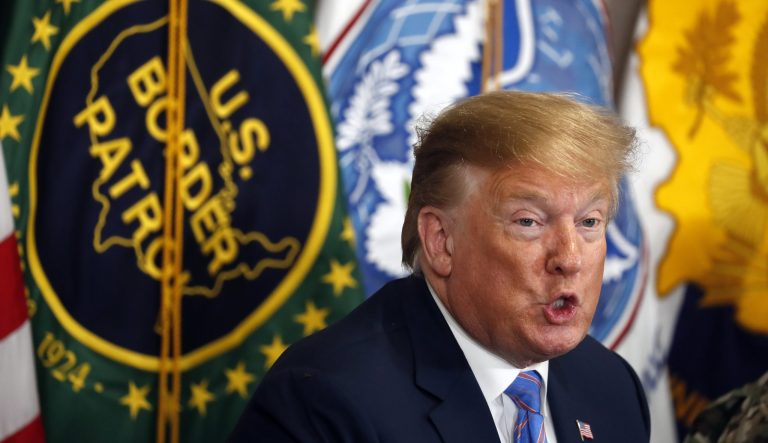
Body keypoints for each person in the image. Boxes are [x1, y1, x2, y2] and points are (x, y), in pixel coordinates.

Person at [228, 91, 651, 442]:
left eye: (589, 222)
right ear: (440, 241)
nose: (571, 258)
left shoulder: (612, 387)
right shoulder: (323, 402)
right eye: (528, 222)